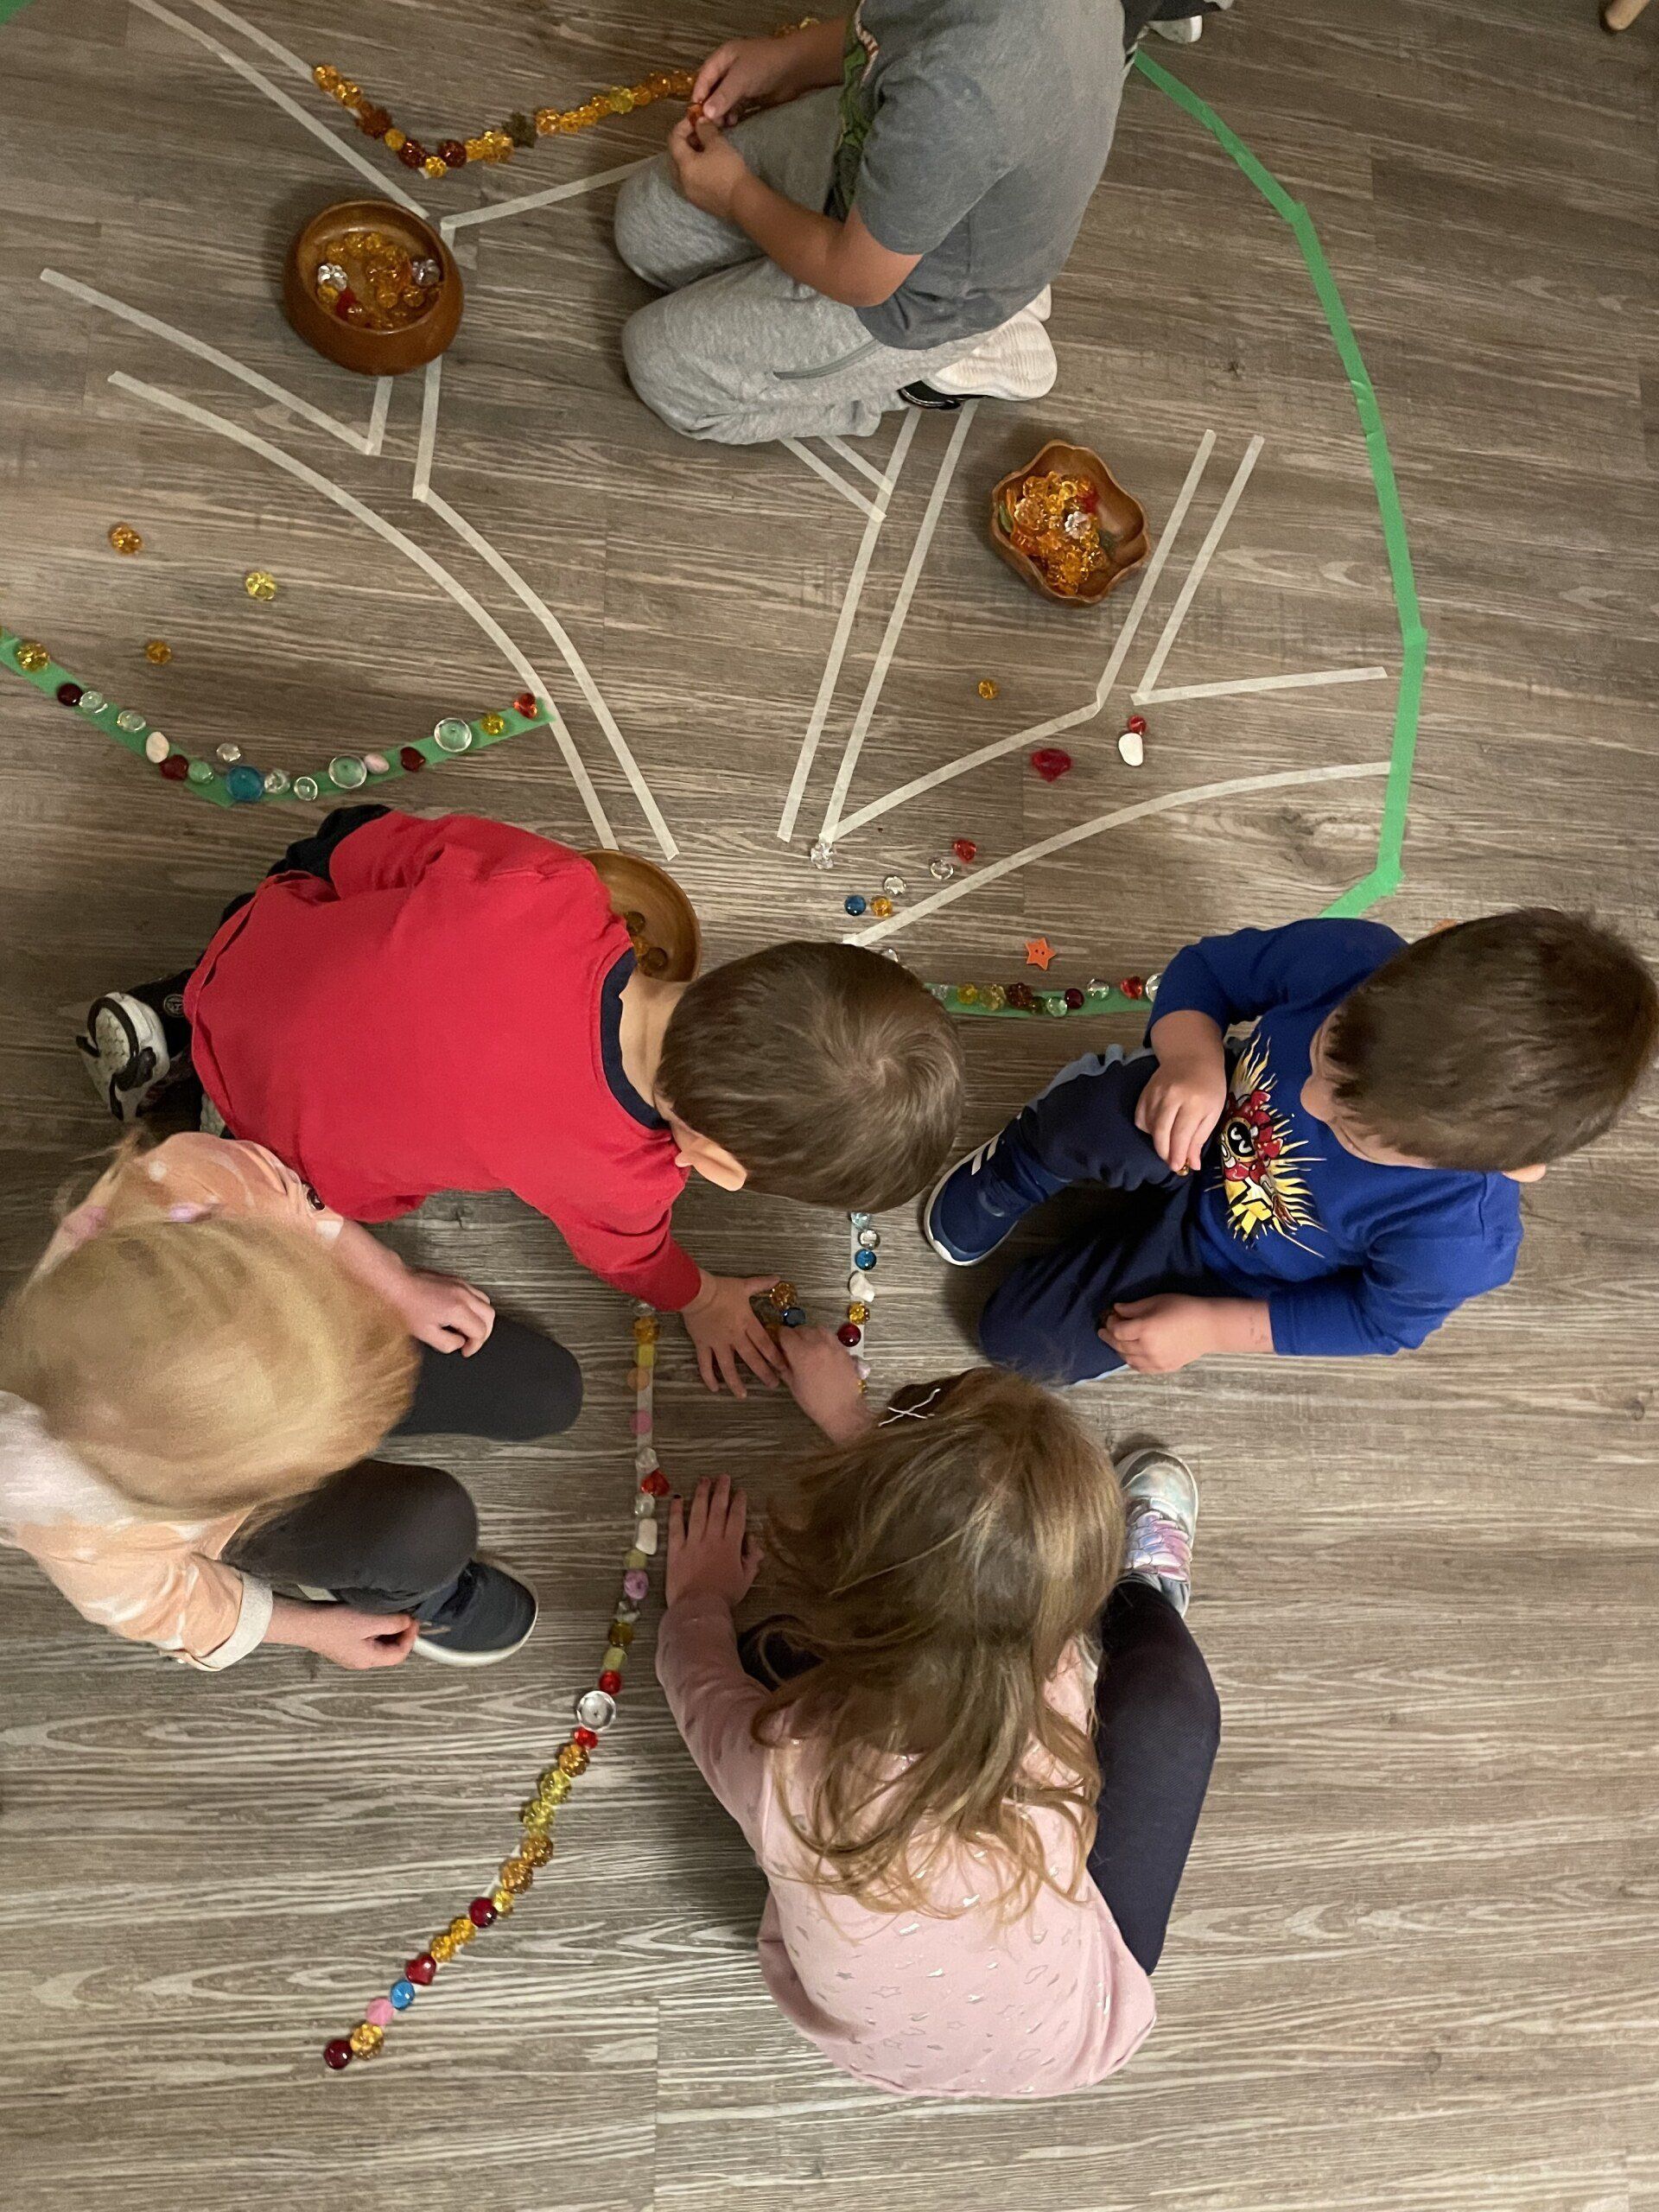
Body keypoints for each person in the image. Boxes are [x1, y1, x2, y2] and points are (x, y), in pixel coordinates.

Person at [77, 806, 963, 1397]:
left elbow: (369, 853)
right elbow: (633, 1261)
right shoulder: (626, 1177)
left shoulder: (557, 889)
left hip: (252, 957)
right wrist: (697, 1297)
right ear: (721, 1167)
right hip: (275, 1145)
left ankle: (177, 1010)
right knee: (303, 1142)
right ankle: (189, 1099)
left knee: (341, 846)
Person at [656, 1329, 1220, 2098]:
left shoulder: (783, 1762)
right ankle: (1142, 1597)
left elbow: (695, 1681)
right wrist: (857, 1432)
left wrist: (697, 1599)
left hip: (881, 2045)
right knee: (1172, 1701)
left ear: (847, 1571)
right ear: (1065, 1618)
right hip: (1072, 2030)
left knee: (759, 1654)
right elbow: (981, 1575)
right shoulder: (1052, 1685)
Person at [924, 910, 1659, 1382]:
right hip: (1192, 1126)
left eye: (1351, 1129)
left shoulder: (1458, 1240)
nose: (1306, 1098)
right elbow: (1205, 973)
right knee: (1091, 1118)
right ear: (1413, 958)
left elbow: (1374, 1321)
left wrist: (1212, 1327)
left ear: (1509, 1168)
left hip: (1215, 1268)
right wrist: (1193, 1061)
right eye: (1327, 1047)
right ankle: (1018, 1166)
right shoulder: (1348, 955)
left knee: (1017, 1342)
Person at [0, 1136, 582, 1669]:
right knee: (428, 1531)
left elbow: (285, 1202)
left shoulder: (186, 1191)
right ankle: (413, 1588)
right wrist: (310, 1628)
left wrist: (394, 1282)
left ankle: (339, 1369)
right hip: (235, 1504)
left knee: (547, 1391)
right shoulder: (88, 1538)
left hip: (304, 1340)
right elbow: (177, 1608)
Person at [612, 2, 1128, 444]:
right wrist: (788, 61)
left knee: (664, 370)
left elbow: (857, 278)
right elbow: (890, 24)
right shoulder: (955, 84)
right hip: (894, 157)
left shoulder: (962, 95)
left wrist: (736, 195)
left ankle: (921, 373)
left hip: (912, 294)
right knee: (646, 230)